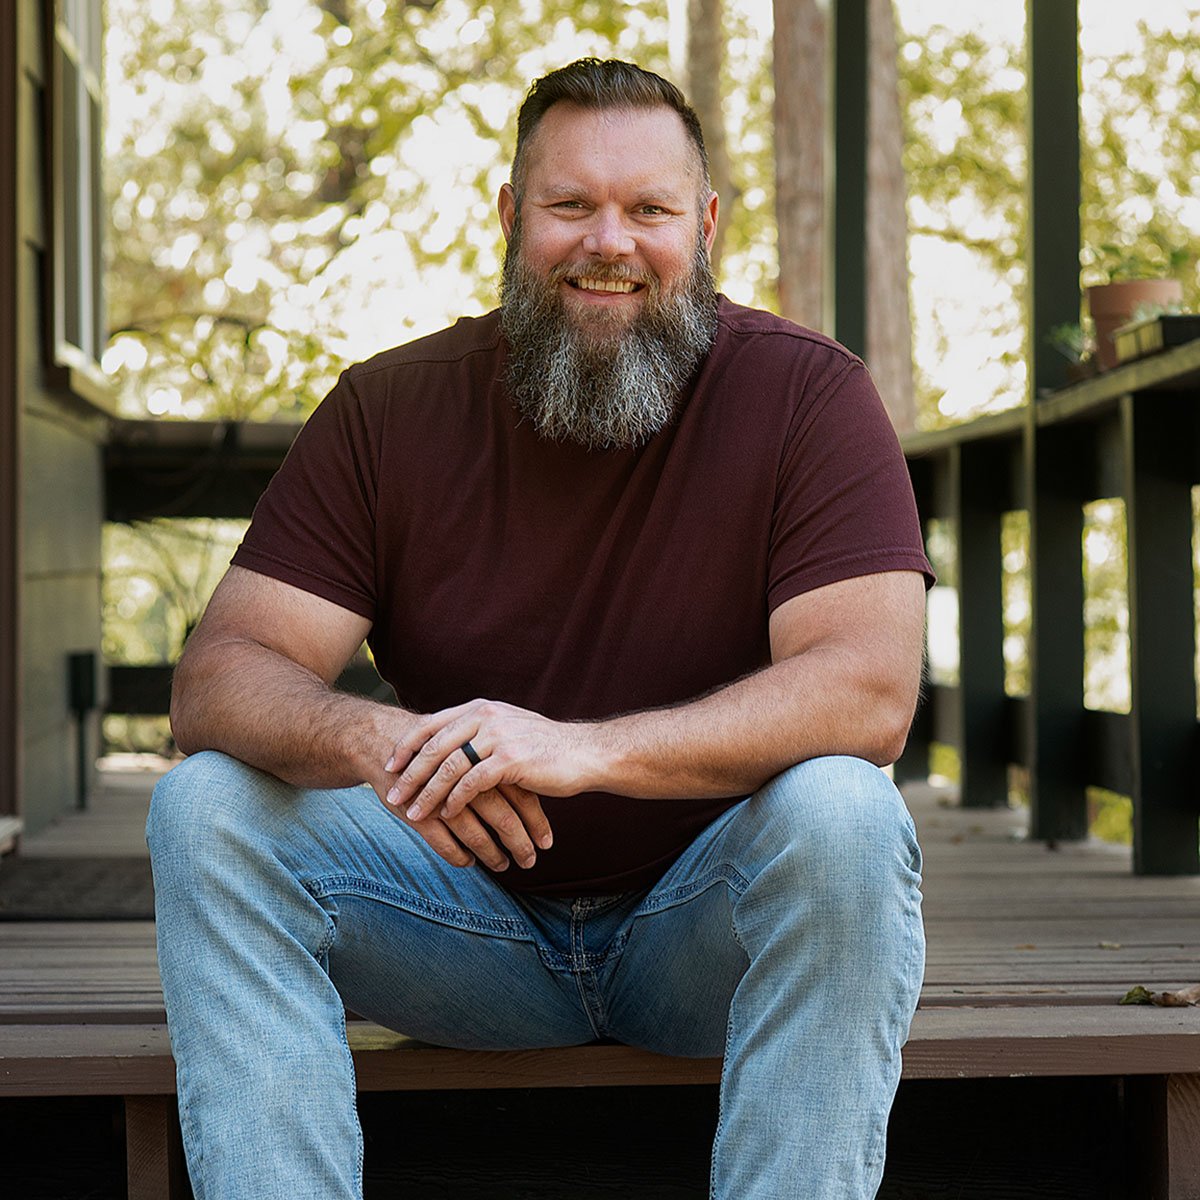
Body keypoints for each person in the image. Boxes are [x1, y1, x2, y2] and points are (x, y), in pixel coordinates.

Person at [147, 57, 932, 1199]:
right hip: (458, 931)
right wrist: (386, 749)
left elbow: (869, 695)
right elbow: (217, 679)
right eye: (571, 205)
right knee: (206, 804)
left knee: (846, 811)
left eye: (649, 209)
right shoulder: (389, 407)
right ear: (512, 217)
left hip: (704, 930)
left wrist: (588, 749)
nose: (608, 241)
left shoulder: (809, 396)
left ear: (703, 225)